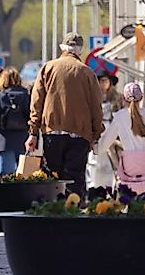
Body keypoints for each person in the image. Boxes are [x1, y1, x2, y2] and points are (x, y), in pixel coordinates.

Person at [26, 32, 104, 198]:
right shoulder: (87, 73)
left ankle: (53, 214)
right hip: (80, 135)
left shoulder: (48, 68)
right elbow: (96, 107)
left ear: (63, 48)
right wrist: (95, 135)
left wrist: (33, 133)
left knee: (53, 179)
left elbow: (36, 102)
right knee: (75, 180)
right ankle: (73, 215)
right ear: (80, 51)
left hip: (52, 132)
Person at [95, 81, 145, 195]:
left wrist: (96, 149)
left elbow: (106, 141)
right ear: (141, 98)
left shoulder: (119, 117)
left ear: (124, 99)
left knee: (129, 196)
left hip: (129, 167)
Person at [0, 67, 32, 175]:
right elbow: (32, 117)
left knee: (6, 176)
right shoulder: (26, 96)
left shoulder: (0, 96)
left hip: (4, 141)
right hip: (23, 140)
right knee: (25, 175)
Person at [88, 66, 125, 193]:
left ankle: (109, 188)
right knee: (95, 161)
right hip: (96, 131)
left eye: (105, 81)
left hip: (111, 130)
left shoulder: (117, 98)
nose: (103, 84)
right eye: (100, 81)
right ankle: (93, 188)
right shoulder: (91, 98)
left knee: (110, 162)